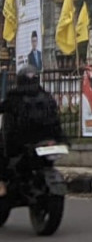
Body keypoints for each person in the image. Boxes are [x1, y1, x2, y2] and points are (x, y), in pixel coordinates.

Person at [0, 66, 65, 197]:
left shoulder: (14, 97)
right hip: (49, 141)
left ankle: (1, 186)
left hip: (20, 146)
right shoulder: (47, 97)